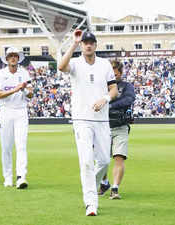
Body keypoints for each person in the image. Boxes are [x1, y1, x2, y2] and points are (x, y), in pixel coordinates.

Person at [58, 31, 118, 216]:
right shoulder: (75, 63)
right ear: (82, 45)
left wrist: (105, 99)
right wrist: (74, 43)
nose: (88, 45)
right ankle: (91, 203)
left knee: (104, 160)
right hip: (81, 119)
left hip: (101, 119)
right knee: (86, 162)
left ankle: (94, 183)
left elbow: (114, 88)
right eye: (85, 43)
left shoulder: (104, 64)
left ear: (96, 45)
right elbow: (61, 66)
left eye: (91, 42)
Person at [0, 47, 33, 189]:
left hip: (21, 111)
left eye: (15, 56)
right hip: (6, 111)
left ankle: (21, 176)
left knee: (21, 145)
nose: (13, 58)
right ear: (7, 58)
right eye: (10, 56)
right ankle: (8, 176)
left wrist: (24, 90)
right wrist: (15, 89)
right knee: (6, 147)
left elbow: (30, 94)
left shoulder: (24, 73)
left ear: (18, 58)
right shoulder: (0, 74)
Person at [98, 60, 136, 199]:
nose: (113, 76)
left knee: (118, 157)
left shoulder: (127, 86)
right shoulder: (101, 85)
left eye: (115, 74)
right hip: (103, 126)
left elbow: (129, 99)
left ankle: (115, 188)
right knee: (101, 159)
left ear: (120, 73)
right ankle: (104, 182)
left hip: (120, 126)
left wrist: (109, 104)